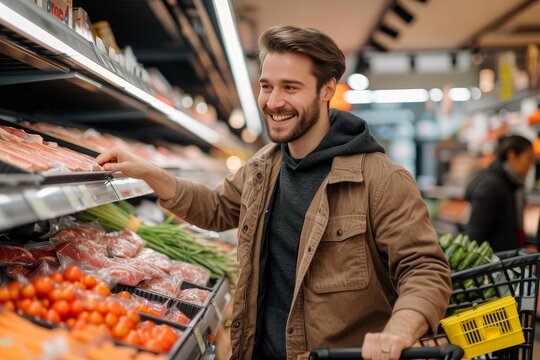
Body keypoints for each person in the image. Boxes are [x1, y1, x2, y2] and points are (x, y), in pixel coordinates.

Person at [97, 25, 451, 360]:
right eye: (267, 86)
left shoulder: (381, 179)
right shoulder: (262, 167)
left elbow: (425, 269)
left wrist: (399, 331)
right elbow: (217, 208)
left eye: (290, 88)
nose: (273, 101)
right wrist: (149, 173)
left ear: (327, 89)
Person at [465, 135, 534, 252]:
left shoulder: (514, 184)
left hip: (508, 261)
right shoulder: (492, 186)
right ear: (512, 156)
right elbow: (475, 233)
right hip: (495, 263)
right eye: (528, 159)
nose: (530, 165)